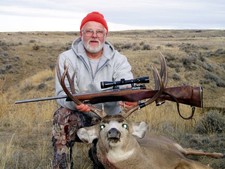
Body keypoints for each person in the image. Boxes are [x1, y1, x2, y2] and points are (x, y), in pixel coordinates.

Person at [52, 11, 136, 169]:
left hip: (110, 118)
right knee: (61, 116)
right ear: (81, 33)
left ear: (106, 34)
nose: (94, 36)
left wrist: (128, 98)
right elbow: (62, 95)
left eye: (99, 32)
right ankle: (61, 165)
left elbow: (126, 85)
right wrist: (76, 104)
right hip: (81, 114)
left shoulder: (119, 59)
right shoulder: (66, 58)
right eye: (89, 31)